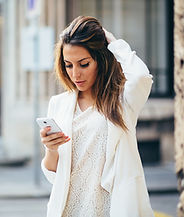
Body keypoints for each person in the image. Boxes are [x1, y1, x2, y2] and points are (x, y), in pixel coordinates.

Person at [40, 15, 155, 217]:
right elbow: (53, 176)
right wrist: (51, 149)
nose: (75, 74)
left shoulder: (121, 102)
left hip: (111, 210)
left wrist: (113, 43)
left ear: (100, 60)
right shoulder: (58, 104)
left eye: (84, 64)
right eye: (68, 65)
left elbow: (141, 77)